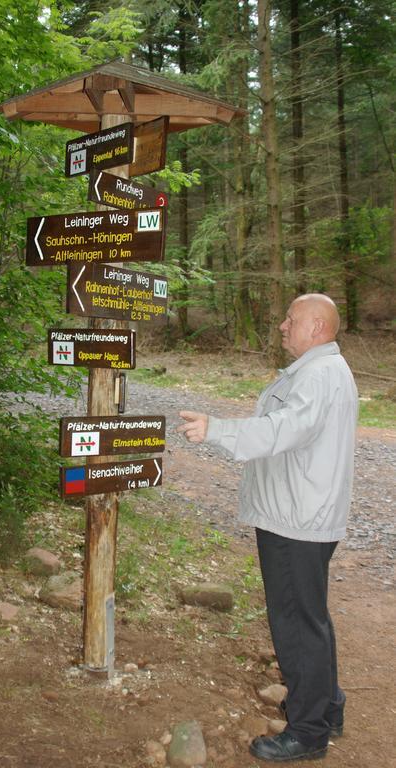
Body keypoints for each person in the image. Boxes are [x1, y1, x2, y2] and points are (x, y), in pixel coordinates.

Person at [177, 293, 358, 763]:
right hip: (304, 514)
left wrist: (216, 429)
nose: (281, 325)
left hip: (296, 521)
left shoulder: (318, 376)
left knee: (297, 623)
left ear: (316, 328)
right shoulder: (318, 371)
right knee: (311, 615)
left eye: (290, 319)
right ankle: (325, 705)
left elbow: (282, 430)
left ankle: (308, 732)